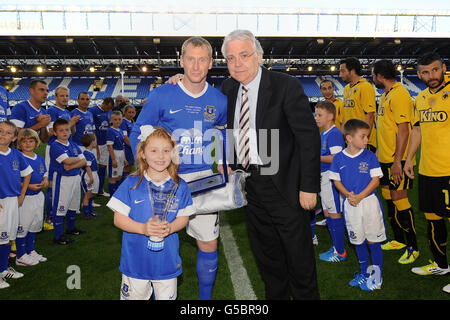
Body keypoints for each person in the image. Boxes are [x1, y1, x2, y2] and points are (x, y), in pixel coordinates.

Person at [220, 30, 320, 299]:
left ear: (259, 56)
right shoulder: (228, 88)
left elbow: (308, 138)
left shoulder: (285, 85)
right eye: (230, 58)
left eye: (244, 55)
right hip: (249, 186)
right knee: (268, 260)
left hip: (285, 185)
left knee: (299, 260)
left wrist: (309, 186)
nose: (237, 63)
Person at [130, 37, 227, 300]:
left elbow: (222, 134)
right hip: (166, 179)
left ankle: (204, 301)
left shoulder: (219, 100)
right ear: (181, 61)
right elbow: (139, 131)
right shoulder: (162, 93)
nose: (196, 65)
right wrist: (144, 170)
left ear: (210, 63)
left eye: (202, 59)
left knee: (208, 242)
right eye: (191, 59)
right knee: (156, 240)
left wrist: (222, 160)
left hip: (204, 182)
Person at [107, 126, 195, 300]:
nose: (160, 156)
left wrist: (170, 228)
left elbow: (183, 217)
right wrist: (143, 229)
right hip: (135, 263)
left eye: (166, 150)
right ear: (142, 153)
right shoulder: (131, 183)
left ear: (173, 154)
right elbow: (118, 219)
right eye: (154, 150)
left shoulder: (180, 186)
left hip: (167, 262)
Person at [404, 52, 450, 293]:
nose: (430, 76)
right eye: (424, 72)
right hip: (428, 170)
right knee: (433, 218)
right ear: (418, 73)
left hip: (448, 170)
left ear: (443, 67)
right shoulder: (420, 98)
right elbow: (418, 130)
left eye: (434, 70)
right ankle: (441, 264)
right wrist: (409, 158)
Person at [371, 59, 419, 264]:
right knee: (388, 196)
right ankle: (399, 239)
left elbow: (404, 129)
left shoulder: (399, 95)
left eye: (373, 75)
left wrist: (398, 161)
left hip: (395, 161)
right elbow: (386, 130)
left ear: (380, 76)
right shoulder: (386, 95)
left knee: (400, 199)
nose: (372, 78)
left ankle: (413, 247)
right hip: (384, 158)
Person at [329, 119, 386, 291]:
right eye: (363, 137)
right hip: (350, 204)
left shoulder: (369, 156)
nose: (366, 140)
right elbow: (336, 179)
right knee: (358, 241)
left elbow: (376, 180)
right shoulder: (338, 158)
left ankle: (377, 277)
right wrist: (347, 194)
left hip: (368, 203)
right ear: (349, 138)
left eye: (367, 136)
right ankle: (364, 273)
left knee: (372, 241)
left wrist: (360, 196)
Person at [0, 121, 32, 289]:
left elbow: (27, 174)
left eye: (7, 133)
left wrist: (22, 194)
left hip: (13, 201)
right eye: (0, 131)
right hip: (1, 202)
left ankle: (3, 269)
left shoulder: (16, 155)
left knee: (6, 238)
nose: (2, 135)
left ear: (13, 138)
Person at [44, 86, 81, 230]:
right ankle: (50, 216)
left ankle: (61, 213)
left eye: (66, 96)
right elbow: (52, 132)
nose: (65, 98)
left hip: (67, 148)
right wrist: (71, 123)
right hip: (55, 148)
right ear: (55, 97)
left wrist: (73, 124)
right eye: (61, 96)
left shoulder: (67, 112)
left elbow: (71, 131)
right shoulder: (52, 111)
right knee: (52, 182)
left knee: (66, 182)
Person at [314, 101, 347, 263]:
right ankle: (336, 247)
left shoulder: (334, 134)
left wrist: (316, 157)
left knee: (334, 213)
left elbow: (337, 158)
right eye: (316, 114)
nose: (316, 117)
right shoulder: (324, 133)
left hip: (330, 177)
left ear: (331, 116)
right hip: (323, 176)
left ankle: (340, 252)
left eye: (320, 115)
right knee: (327, 212)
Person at [49, 118, 87, 245]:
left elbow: (84, 161)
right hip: (62, 179)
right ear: (55, 133)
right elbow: (67, 162)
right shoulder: (55, 146)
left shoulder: (73, 145)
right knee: (60, 206)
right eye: (61, 130)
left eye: (67, 130)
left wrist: (71, 165)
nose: (64, 132)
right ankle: (58, 236)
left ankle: (70, 228)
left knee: (73, 204)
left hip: (75, 177)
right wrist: (74, 162)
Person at [15, 128, 48, 266]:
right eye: (24, 141)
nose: (28, 144)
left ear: (36, 143)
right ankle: (20, 255)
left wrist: (45, 179)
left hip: (38, 196)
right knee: (23, 225)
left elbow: (44, 171)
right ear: (19, 144)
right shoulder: (18, 157)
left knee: (34, 223)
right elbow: (14, 179)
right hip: (26, 197)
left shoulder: (39, 157)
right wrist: (28, 186)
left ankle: (31, 250)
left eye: (31, 141)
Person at [339, 57, 377, 151]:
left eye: (343, 71)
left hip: (362, 142)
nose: (340, 75)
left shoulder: (365, 87)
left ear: (352, 71)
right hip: (350, 141)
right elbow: (345, 116)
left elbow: (370, 115)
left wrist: (364, 139)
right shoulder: (346, 89)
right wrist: (342, 136)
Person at [10, 79, 51, 144]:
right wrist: (40, 124)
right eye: (41, 90)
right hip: (18, 152)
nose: (46, 93)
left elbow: (44, 140)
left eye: (47, 91)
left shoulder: (43, 112)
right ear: (31, 91)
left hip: (31, 152)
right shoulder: (20, 107)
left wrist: (43, 126)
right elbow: (15, 135)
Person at [90, 97, 114, 197]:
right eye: (107, 107)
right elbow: (92, 128)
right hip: (95, 144)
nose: (109, 110)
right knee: (93, 168)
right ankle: (90, 191)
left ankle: (100, 189)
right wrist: (95, 144)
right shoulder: (93, 111)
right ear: (104, 103)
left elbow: (109, 125)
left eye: (110, 109)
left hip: (105, 143)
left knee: (103, 166)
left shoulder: (109, 111)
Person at [106, 111, 127, 195]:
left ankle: (117, 195)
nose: (117, 121)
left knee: (119, 176)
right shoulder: (110, 131)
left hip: (121, 153)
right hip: (114, 154)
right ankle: (112, 197)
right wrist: (113, 159)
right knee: (113, 177)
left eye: (119, 119)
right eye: (115, 119)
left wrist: (124, 158)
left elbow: (123, 145)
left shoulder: (121, 131)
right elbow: (110, 146)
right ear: (111, 120)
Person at [80, 133, 100, 220]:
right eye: (95, 140)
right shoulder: (86, 153)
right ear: (92, 142)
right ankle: (86, 214)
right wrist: (91, 177)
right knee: (87, 195)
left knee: (90, 194)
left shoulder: (90, 152)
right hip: (88, 176)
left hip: (92, 174)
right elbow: (87, 166)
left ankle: (91, 211)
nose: (96, 142)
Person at [120, 105, 136, 181]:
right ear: (125, 112)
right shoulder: (123, 122)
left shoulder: (132, 122)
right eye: (129, 112)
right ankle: (122, 187)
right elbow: (125, 138)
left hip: (131, 149)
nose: (131, 114)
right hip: (126, 148)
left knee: (130, 168)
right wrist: (134, 147)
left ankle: (126, 186)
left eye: (133, 112)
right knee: (125, 168)